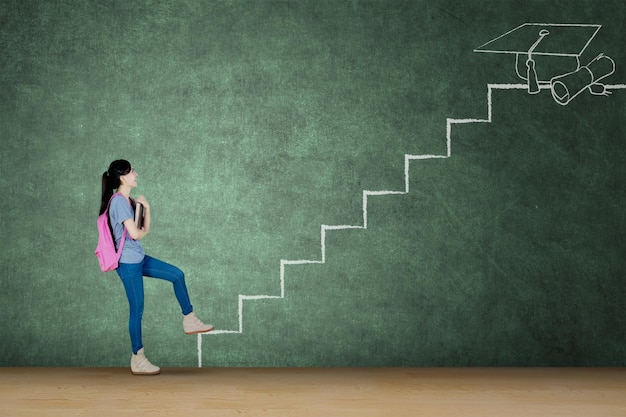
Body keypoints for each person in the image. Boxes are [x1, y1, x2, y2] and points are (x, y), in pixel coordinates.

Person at [100, 159, 214, 375]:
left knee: (177, 275)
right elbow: (135, 234)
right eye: (132, 171)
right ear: (122, 177)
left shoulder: (129, 200)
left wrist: (147, 209)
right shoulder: (117, 202)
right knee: (137, 309)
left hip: (138, 258)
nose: (136, 173)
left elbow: (144, 229)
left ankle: (189, 319)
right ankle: (138, 358)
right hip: (127, 264)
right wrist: (140, 231)